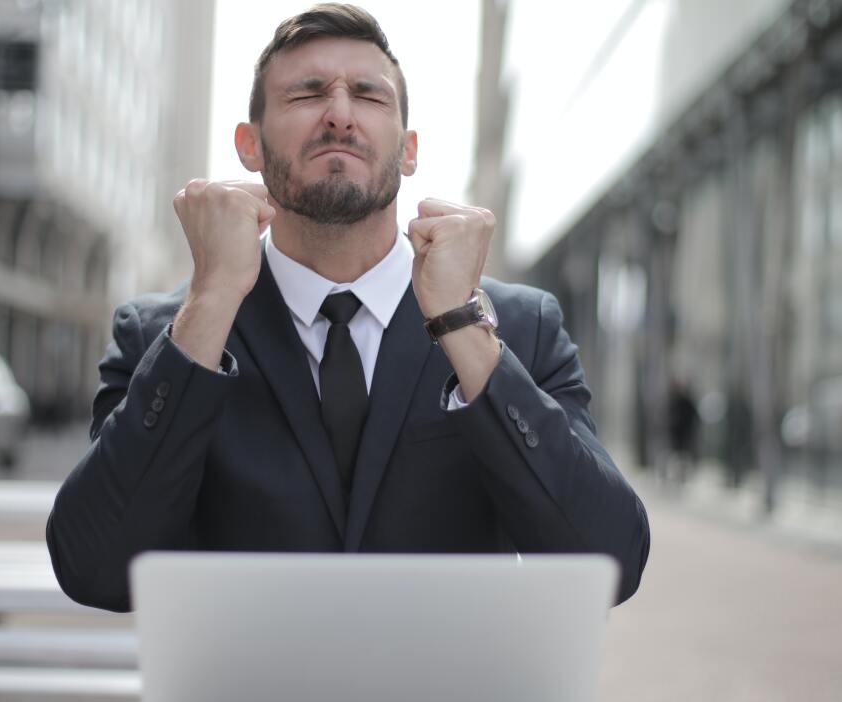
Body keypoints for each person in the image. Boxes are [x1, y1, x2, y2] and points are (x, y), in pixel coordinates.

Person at [46, 3, 649, 612]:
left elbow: (608, 565)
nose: (339, 114)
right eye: (307, 94)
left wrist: (461, 324)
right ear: (248, 145)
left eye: (368, 95)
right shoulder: (164, 335)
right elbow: (94, 568)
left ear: (409, 151)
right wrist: (212, 300)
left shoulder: (519, 327)